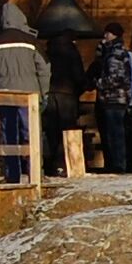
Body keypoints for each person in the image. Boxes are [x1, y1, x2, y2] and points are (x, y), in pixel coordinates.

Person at [0, 2, 50, 183]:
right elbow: (44, 69)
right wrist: (43, 93)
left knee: (9, 135)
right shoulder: (31, 42)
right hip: (29, 96)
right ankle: (36, 173)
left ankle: (12, 175)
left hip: (4, 96)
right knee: (31, 133)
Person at [91, 22, 132, 175]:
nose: (105, 36)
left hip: (114, 99)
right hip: (116, 98)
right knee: (113, 132)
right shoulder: (115, 51)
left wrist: (98, 83)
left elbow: (114, 78)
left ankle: (117, 164)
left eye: (107, 33)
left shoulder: (115, 54)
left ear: (114, 34)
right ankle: (114, 163)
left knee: (115, 133)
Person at [45, 30, 86, 167]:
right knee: (67, 129)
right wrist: (81, 88)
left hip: (50, 93)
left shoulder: (48, 50)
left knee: (52, 129)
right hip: (68, 94)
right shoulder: (72, 51)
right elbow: (78, 74)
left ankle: (53, 163)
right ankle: (65, 163)